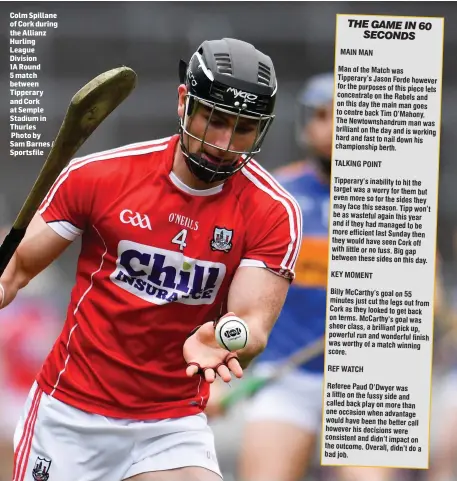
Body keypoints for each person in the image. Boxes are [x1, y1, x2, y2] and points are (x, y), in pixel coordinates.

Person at [1, 38, 302, 481]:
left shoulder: (272, 211)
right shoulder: (99, 177)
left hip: (170, 422)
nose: (223, 143)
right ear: (184, 103)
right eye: (214, 120)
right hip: (69, 415)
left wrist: (224, 337)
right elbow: (16, 271)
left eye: (243, 128)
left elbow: (251, 324)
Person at [206, 72, 403, 481]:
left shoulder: (396, 199)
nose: (333, 126)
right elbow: (230, 291)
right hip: (284, 376)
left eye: (345, 116)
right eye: (322, 115)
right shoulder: (279, 195)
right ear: (306, 125)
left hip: (366, 385)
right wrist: (221, 373)